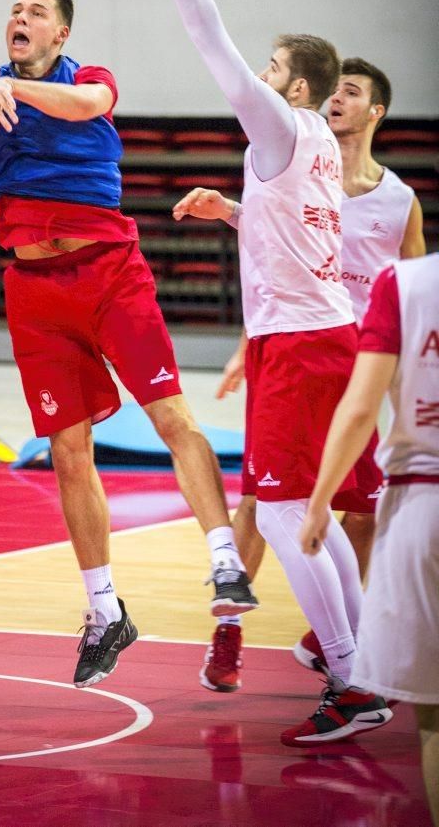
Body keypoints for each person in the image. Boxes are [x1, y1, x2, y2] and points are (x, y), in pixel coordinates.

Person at [0, 0, 257, 688]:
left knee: (172, 415)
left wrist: (11, 88)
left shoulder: (90, 78)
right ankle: (105, 610)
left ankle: (226, 558)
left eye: (36, 12)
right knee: (67, 451)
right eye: (14, 10)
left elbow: (85, 106)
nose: (20, 18)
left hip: (110, 273)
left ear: (62, 35)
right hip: (34, 290)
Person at [130, 0, 391, 745]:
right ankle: (368, 669)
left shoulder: (281, 121)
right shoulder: (312, 143)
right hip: (332, 337)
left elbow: (212, 41)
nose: (262, 76)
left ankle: (354, 678)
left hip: (301, 346)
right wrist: (236, 209)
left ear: (299, 88)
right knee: (308, 513)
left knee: (282, 514)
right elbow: (299, 230)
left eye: (275, 69)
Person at [202, 58, 425, 694]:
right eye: (336, 91)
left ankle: (345, 650)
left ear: (375, 111)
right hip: (298, 347)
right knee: (265, 499)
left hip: (355, 360)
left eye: (352, 93)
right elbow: (275, 251)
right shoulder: (307, 163)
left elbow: (412, 291)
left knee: (355, 509)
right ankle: (234, 630)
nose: (337, 102)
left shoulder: (397, 200)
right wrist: (249, 343)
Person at [300, 253, 438, 814]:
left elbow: (360, 410)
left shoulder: (405, 282)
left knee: (431, 713)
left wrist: (316, 505)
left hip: (424, 502)